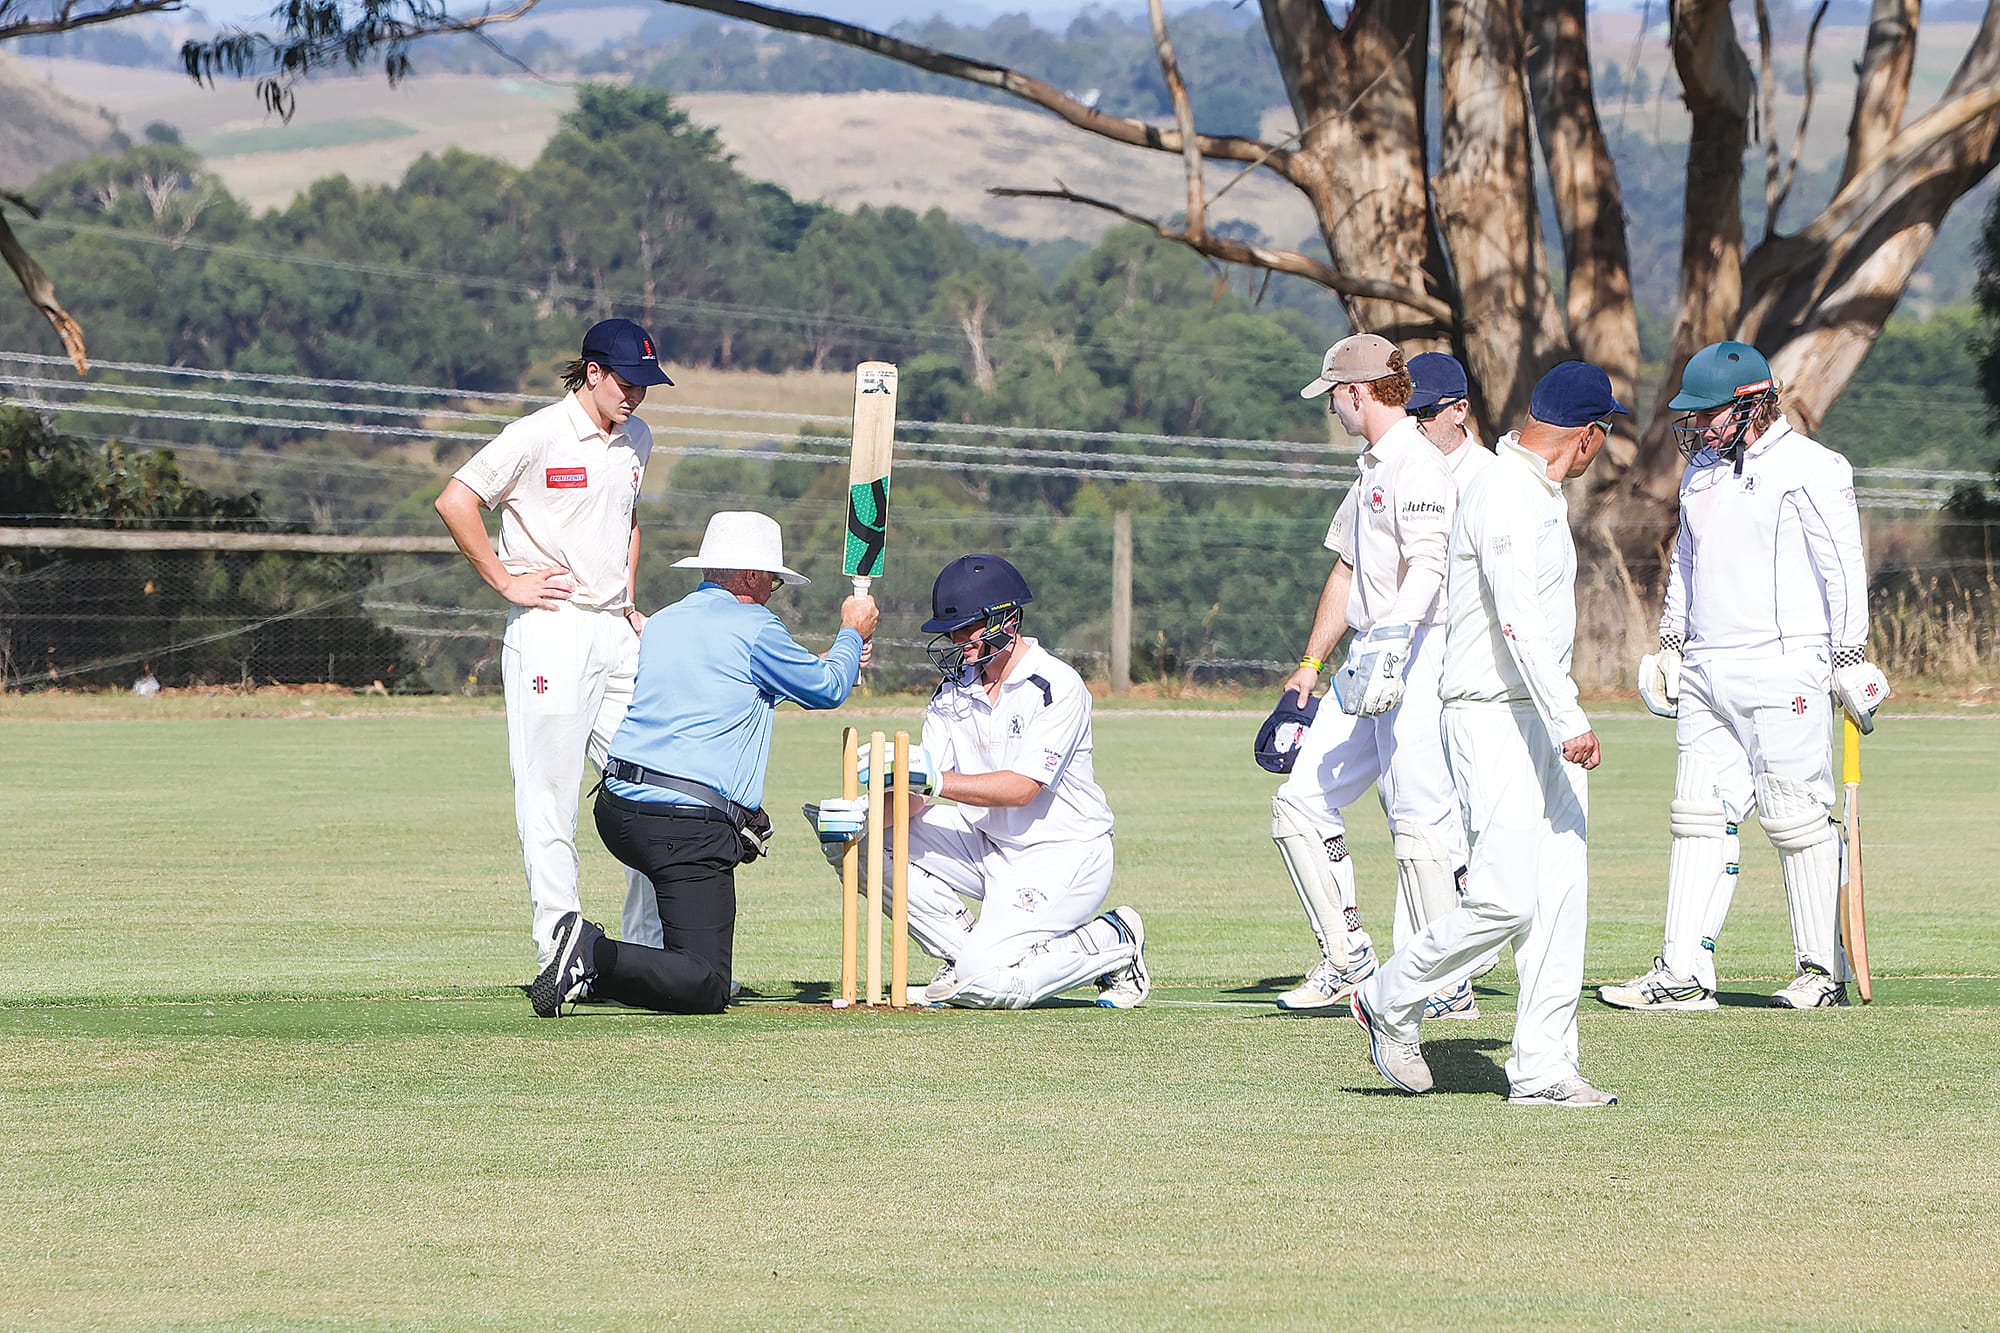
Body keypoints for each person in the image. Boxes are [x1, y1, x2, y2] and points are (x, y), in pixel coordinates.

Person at [1351, 360, 1622, 1107]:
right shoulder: (1505, 492)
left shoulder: (1533, 491)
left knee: (1561, 893)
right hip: (1492, 713)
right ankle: (1388, 996)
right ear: (1588, 438)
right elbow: (1516, 619)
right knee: (1504, 901)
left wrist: (1558, 715)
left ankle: (1541, 1067)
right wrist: (1570, 717)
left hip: (1536, 714)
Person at [1601, 341, 1889, 1012]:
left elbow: (1843, 566)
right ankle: (1681, 973)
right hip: (1707, 667)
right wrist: (1671, 642)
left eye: (1708, 415)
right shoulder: (1701, 473)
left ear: (1752, 404)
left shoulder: (1812, 468)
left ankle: (1820, 970)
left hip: (1785, 665)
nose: (1698, 428)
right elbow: (1688, 566)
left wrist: (1848, 655)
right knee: (1697, 816)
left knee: (1794, 818)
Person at [530, 511, 877, 1017]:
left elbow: (731, 691)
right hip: (683, 827)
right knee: (708, 983)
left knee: (683, 965)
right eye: (774, 581)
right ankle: (590, 953)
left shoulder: (667, 620)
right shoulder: (757, 626)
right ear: (753, 576)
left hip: (617, 808)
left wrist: (833, 658)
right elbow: (825, 690)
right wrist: (851, 632)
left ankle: (593, 967)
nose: (774, 590)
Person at [434, 317, 672, 969]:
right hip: (552, 630)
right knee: (551, 792)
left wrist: (626, 599)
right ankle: (559, 948)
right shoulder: (536, 435)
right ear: (592, 372)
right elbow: (457, 500)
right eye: (627, 382)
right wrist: (506, 581)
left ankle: (649, 949)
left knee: (651, 789)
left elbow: (627, 522)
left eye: (646, 386)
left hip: (616, 634)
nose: (636, 397)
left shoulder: (638, 438)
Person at [811, 554, 1150, 1010]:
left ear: (1007, 620)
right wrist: (863, 812)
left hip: (1064, 854)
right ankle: (966, 955)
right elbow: (915, 800)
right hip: (988, 846)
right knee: (861, 842)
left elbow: (1022, 788)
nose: (958, 641)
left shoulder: (1056, 685)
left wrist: (932, 780)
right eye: (952, 631)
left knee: (988, 988)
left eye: (969, 628)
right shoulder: (953, 690)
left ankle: (1115, 939)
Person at [1268, 334, 1470, 1018]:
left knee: (1420, 827)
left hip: (1416, 654)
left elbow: (1430, 567)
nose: (1333, 410)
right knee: (1297, 806)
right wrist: (1309, 667)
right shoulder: (1373, 468)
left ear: (1358, 391)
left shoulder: (1418, 463)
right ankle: (1348, 960)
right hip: (1369, 659)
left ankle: (1449, 982)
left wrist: (1392, 640)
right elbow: (1349, 572)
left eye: (1335, 397)